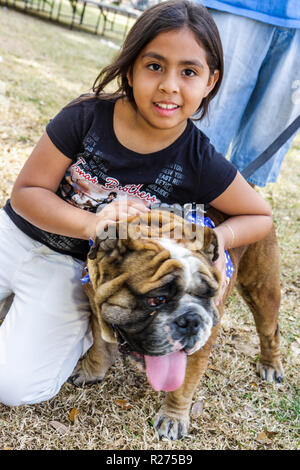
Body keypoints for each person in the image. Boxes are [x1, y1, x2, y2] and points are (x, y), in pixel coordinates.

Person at [0, 0, 273, 407]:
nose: (169, 86)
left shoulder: (197, 158)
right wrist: (94, 225)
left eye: (189, 71)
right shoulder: (86, 115)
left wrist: (213, 240)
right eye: (154, 66)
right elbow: (26, 194)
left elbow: (259, 215)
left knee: (16, 388)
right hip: (15, 236)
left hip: (70, 272)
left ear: (211, 81)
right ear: (129, 67)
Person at [195, 0, 300, 187]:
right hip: (235, 7)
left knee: (259, 148)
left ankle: (227, 211)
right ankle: (175, 204)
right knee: (203, 126)